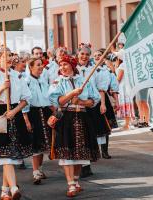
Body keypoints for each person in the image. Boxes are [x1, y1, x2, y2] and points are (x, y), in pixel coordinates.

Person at [0, 47, 32, 200]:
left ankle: (4, 191)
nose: (8, 58)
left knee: (9, 156)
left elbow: (25, 98)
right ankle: (14, 188)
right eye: (5, 56)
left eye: (10, 55)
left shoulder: (17, 75)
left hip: (14, 113)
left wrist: (15, 111)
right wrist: (2, 88)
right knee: (5, 156)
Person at [48, 55, 100, 198]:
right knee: (67, 152)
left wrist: (82, 102)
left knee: (79, 154)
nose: (62, 67)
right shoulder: (57, 81)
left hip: (82, 117)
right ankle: (70, 184)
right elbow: (58, 101)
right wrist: (71, 94)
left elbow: (94, 100)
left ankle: (76, 181)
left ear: (72, 65)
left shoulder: (83, 80)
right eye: (60, 65)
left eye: (65, 64)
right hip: (66, 118)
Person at [23, 58, 53, 185]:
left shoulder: (43, 80)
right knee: (36, 142)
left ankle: (39, 169)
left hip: (45, 112)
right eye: (38, 65)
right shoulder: (27, 82)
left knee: (43, 143)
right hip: (33, 113)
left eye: (42, 65)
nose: (41, 67)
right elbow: (24, 100)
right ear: (30, 67)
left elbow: (48, 97)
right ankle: (35, 171)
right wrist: (26, 120)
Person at [115, 50, 135, 130]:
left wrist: (113, 85)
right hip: (127, 86)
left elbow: (118, 78)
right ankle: (128, 123)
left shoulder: (123, 65)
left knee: (125, 104)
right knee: (127, 104)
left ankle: (127, 124)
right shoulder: (127, 64)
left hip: (123, 87)